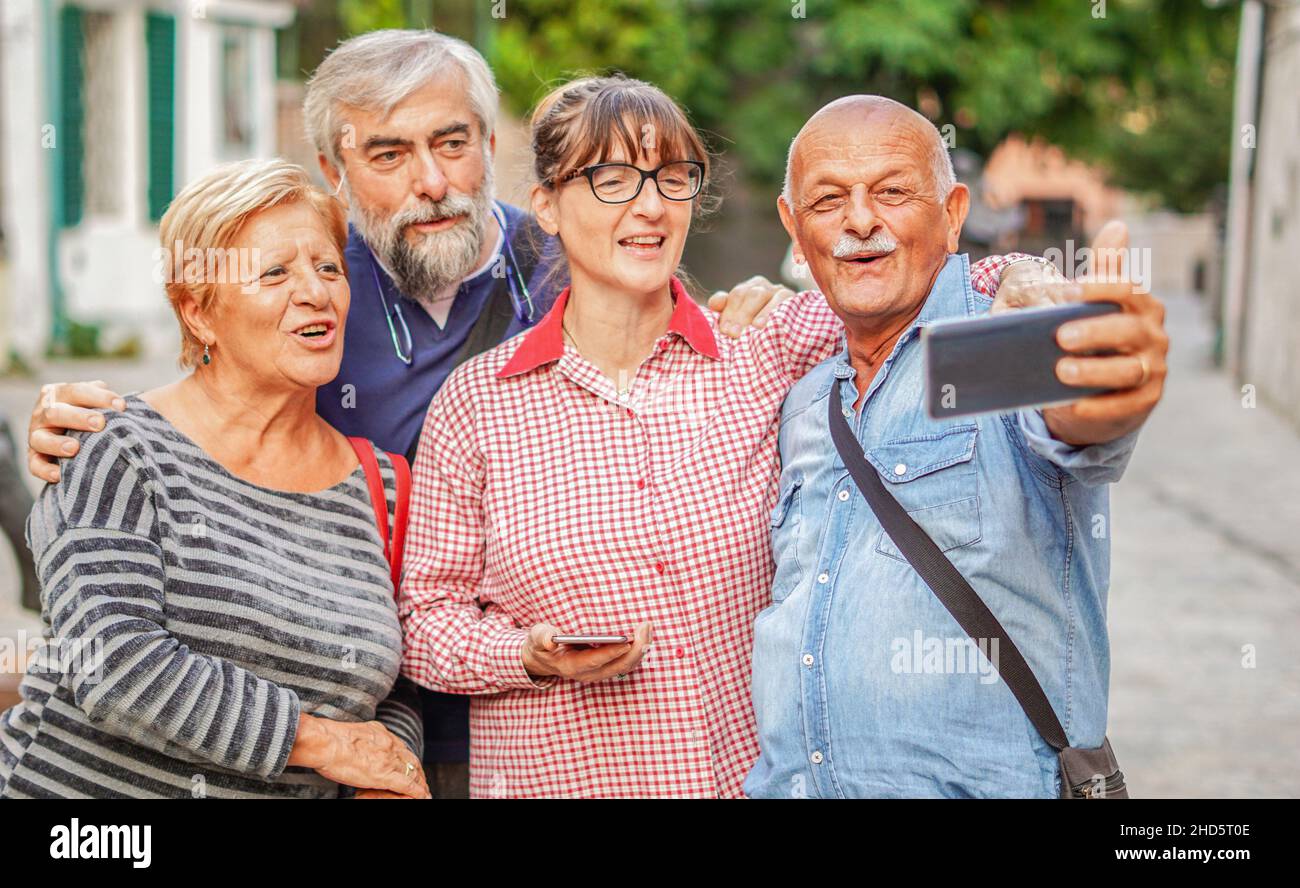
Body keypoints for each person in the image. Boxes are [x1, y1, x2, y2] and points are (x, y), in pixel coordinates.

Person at [22, 29, 791, 798]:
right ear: (335, 171)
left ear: (492, 146)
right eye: (388, 154)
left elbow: (671, 296)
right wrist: (84, 423)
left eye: (452, 143)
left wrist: (763, 304)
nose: (431, 181)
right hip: (367, 735)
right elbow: (209, 402)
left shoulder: (571, 259)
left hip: (522, 732)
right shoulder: (314, 289)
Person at [397, 76, 1022, 797]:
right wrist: (527, 655)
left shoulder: (766, 346)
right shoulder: (478, 404)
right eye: (611, 178)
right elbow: (425, 622)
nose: (652, 205)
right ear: (547, 205)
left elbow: (937, 291)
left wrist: (1032, 276)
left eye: (671, 177)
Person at [745, 96, 1169, 798]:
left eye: (892, 191)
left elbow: (1076, 417)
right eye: (827, 200)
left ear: (952, 212)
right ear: (794, 227)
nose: (858, 220)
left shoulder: (999, 341)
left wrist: (1109, 385)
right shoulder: (802, 399)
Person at [0, 159, 430, 798]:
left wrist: (389, 768)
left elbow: (397, 685)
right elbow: (114, 669)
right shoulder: (117, 447)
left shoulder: (384, 487)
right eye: (274, 272)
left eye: (328, 267)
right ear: (198, 312)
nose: (315, 292)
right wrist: (325, 744)